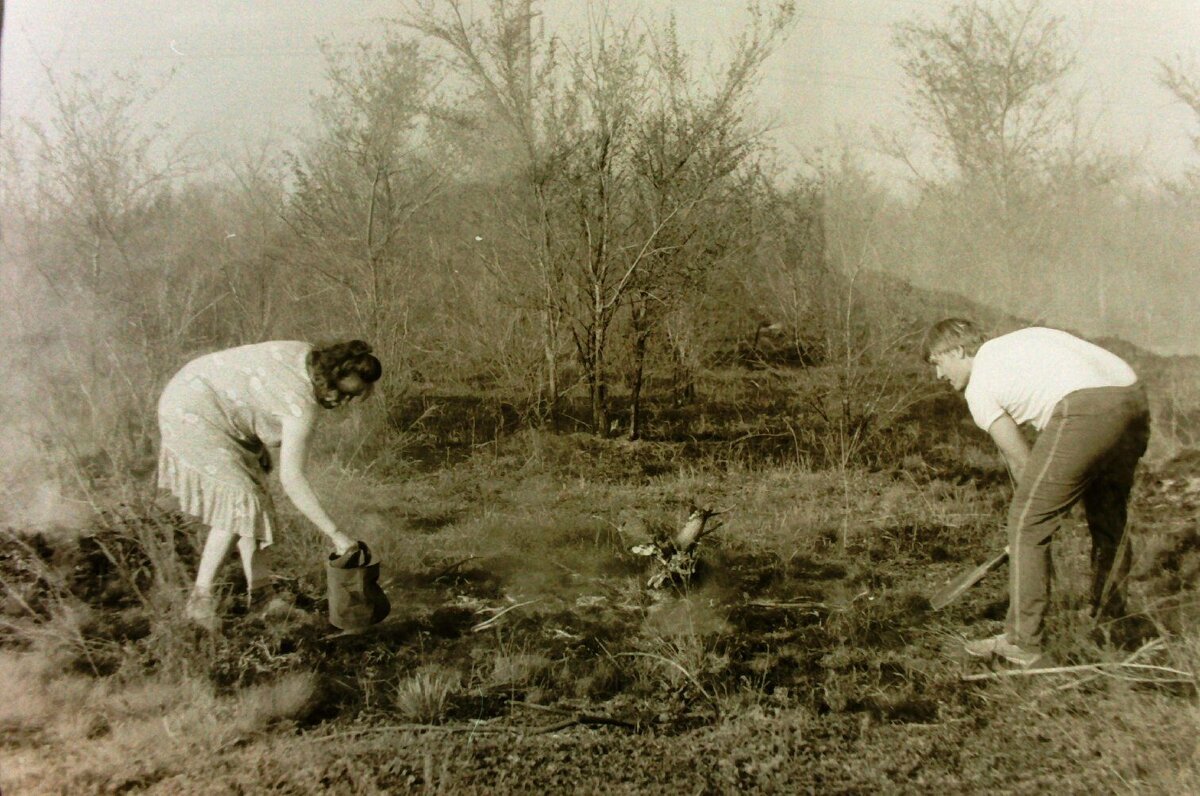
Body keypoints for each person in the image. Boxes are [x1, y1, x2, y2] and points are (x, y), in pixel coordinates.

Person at [923, 319, 1150, 667]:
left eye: (938, 363)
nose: (939, 376)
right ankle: (1111, 623)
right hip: (1133, 396)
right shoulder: (1017, 341)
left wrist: (1033, 523)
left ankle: (1022, 641)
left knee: (1027, 522)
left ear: (957, 351)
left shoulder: (979, 386)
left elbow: (1021, 461)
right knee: (1108, 518)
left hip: (1085, 407)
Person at [157, 339, 382, 630]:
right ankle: (199, 602)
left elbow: (253, 389)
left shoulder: (306, 353)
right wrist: (337, 535)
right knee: (241, 501)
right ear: (333, 379)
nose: (341, 402)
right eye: (343, 394)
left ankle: (262, 598)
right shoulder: (301, 406)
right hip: (191, 411)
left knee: (256, 500)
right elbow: (292, 478)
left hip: (202, 396)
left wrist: (253, 440)